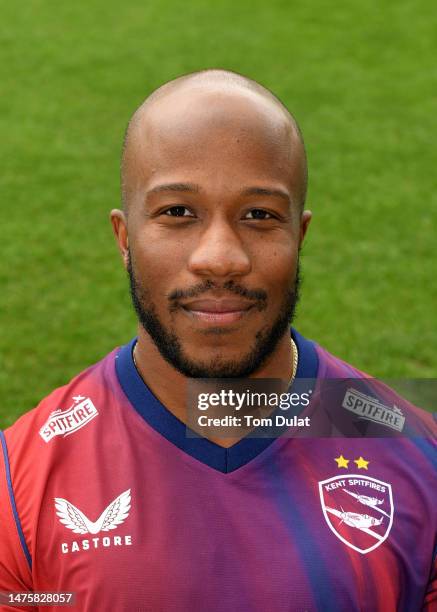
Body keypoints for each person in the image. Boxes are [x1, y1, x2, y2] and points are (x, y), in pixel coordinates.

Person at [0, 69, 435, 612]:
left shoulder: (417, 457)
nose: (221, 258)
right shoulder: (19, 487)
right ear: (124, 237)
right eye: (177, 212)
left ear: (298, 236)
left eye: (259, 215)